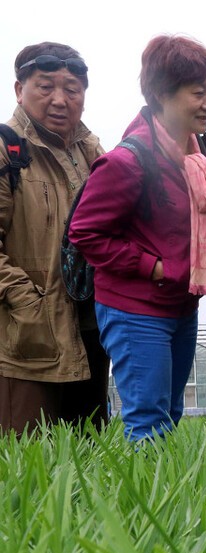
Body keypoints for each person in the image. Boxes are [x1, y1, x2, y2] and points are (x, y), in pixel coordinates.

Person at [68, 35, 206, 443]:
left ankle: (162, 486)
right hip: (134, 308)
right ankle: (141, 488)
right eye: (198, 93)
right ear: (160, 93)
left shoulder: (197, 157)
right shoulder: (127, 161)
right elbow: (85, 232)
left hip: (181, 304)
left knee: (169, 413)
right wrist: (153, 266)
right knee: (148, 419)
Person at [0, 43, 109, 435]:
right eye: (46, 87)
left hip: (91, 331)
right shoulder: (7, 149)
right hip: (26, 338)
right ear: (19, 90)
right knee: (27, 457)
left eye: (72, 89)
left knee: (90, 455)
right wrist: (26, 300)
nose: (60, 100)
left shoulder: (94, 153)